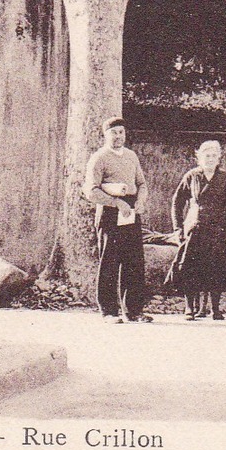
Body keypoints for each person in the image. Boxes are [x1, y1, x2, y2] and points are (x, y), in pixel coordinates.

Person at [81, 116, 151, 324]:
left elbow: (142, 184)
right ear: (106, 135)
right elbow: (91, 190)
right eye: (114, 132)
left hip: (130, 211)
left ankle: (134, 310)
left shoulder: (131, 156)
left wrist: (140, 201)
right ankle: (109, 311)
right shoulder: (99, 158)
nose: (118, 136)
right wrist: (114, 202)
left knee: (134, 261)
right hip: (110, 212)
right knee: (110, 262)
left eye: (121, 132)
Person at [170, 139, 226, 321]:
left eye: (213, 155)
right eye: (206, 155)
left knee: (216, 268)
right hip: (195, 228)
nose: (210, 159)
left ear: (219, 158)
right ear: (199, 157)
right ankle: (189, 308)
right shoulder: (192, 176)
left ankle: (216, 309)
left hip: (217, 230)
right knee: (190, 268)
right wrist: (178, 227)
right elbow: (177, 202)